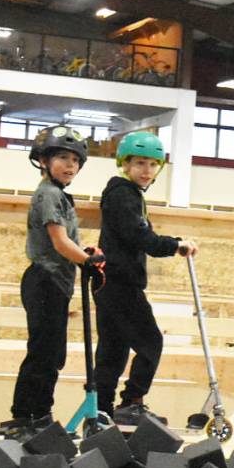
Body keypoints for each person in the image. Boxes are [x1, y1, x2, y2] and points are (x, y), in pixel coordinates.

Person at [6, 125, 105, 440]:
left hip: (56, 281)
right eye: (62, 157)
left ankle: (35, 413)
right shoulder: (48, 194)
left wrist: (85, 253)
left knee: (50, 352)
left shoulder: (59, 195)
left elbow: (68, 243)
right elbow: (60, 243)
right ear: (44, 160)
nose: (70, 165)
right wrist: (86, 260)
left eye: (75, 160)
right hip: (45, 280)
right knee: (45, 352)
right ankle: (31, 415)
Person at [94, 130, 198, 426]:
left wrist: (171, 243)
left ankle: (101, 410)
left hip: (110, 282)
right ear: (125, 165)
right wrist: (175, 244)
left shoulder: (127, 195)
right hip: (120, 283)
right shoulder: (123, 194)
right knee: (151, 341)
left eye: (153, 165)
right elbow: (141, 237)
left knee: (113, 350)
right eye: (140, 163)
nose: (146, 171)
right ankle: (132, 401)